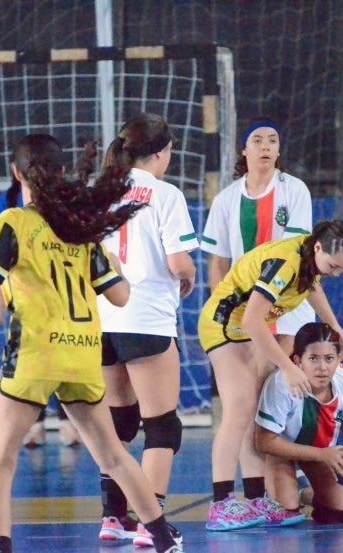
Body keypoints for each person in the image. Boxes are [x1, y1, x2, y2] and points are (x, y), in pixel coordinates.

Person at [0, 133, 183, 553]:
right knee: (112, 455)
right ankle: (163, 538)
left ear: (18, 174)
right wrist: (113, 264)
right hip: (81, 354)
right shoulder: (80, 232)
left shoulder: (14, 222)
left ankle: (0, 547)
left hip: (35, 355)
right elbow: (121, 296)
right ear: (61, 174)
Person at [198, 220, 343, 531]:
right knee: (239, 409)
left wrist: (336, 327)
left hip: (243, 329)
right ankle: (220, 504)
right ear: (318, 248)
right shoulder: (285, 262)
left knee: (254, 408)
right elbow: (252, 319)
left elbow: (312, 287)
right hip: (223, 326)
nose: (335, 273)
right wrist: (288, 367)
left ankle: (257, 497)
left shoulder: (308, 259)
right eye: (333, 265)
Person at [200, 116, 314, 523]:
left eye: (273, 140)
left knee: (266, 405)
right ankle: (227, 501)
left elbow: (301, 262)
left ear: (279, 151)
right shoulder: (228, 199)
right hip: (241, 316)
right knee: (243, 406)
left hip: (284, 312)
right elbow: (219, 264)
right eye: (257, 140)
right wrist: (222, 313)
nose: (266, 146)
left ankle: (261, 496)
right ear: (244, 151)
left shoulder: (294, 190)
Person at [95, 113, 197, 547]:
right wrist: (188, 275)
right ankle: (148, 523)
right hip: (146, 319)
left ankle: (112, 517)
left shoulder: (97, 192)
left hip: (101, 320)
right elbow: (178, 263)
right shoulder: (165, 194)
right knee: (161, 427)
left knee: (118, 423)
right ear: (161, 152)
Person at [0, 175, 80, 448]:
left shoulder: (67, 203)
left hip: (61, 297)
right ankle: (35, 424)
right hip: (27, 298)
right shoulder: (5, 204)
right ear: (17, 171)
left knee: (64, 358)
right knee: (32, 360)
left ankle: (67, 421)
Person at [254, 322, 343, 524]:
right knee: (286, 515)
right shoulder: (282, 384)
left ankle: (303, 492)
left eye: (329, 359)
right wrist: (322, 454)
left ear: (338, 359)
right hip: (281, 453)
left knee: (339, 513)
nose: (322, 367)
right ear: (298, 361)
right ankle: (277, 489)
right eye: (313, 359)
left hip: (318, 451)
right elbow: (264, 442)